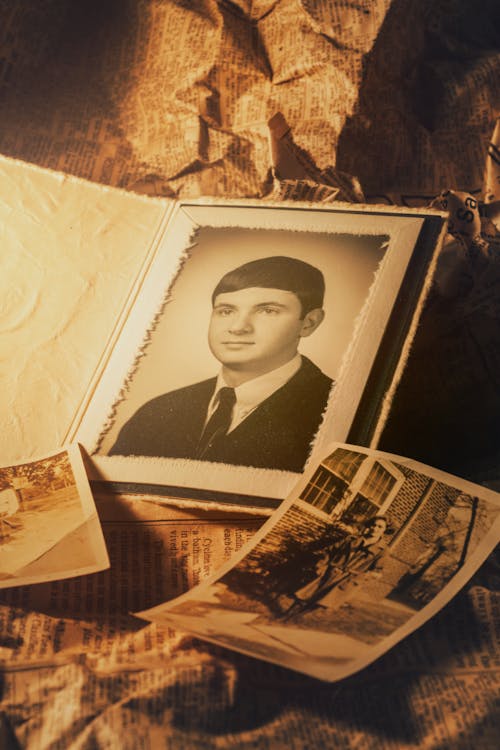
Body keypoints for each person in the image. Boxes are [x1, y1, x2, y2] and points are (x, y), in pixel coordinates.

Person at [109, 255, 333, 472]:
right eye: (226, 311)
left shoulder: (335, 414)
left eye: (267, 310)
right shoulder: (157, 412)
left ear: (309, 323)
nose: (238, 327)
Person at [281, 515, 389, 618]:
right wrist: (321, 565)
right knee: (305, 595)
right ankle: (286, 615)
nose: (375, 528)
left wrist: (359, 577)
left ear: (385, 530)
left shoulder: (383, 551)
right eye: (373, 525)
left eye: (380, 527)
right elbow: (329, 551)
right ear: (369, 526)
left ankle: (295, 616)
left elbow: (377, 572)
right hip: (329, 572)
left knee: (322, 603)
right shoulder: (351, 539)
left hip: (346, 580)